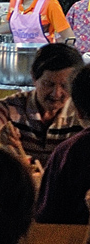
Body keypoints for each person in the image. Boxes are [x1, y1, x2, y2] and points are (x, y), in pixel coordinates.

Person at [0, 43, 84, 166]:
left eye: (65, 86)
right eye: (48, 84)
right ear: (34, 78)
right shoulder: (10, 107)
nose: (56, 93)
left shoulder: (81, 111)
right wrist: (0, 136)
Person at [35, 64, 90, 224]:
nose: (56, 93)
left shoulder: (69, 152)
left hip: (71, 238)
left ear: (78, 111)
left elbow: (48, 218)